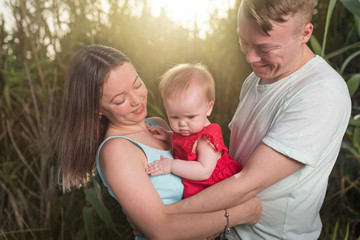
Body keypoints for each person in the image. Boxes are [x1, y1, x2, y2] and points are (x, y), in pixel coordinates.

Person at [165, 0, 352, 239]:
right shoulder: (258, 78)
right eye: (244, 41)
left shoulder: (321, 93)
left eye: (265, 49)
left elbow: (248, 182)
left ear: (305, 33)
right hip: (228, 227)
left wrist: (167, 217)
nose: (251, 58)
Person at [57, 45, 261, 240]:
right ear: (97, 108)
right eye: (120, 100)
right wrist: (237, 214)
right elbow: (161, 232)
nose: (137, 100)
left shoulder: (158, 125)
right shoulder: (117, 150)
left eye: (137, 84)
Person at [145, 63, 242, 198]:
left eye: (190, 117)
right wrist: (168, 136)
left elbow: (204, 171)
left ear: (208, 108)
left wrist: (172, 165)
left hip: (217, 187)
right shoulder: (190, 129)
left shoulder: (206, 139)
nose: (182, 124)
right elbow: (187, 142)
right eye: (174, 117)